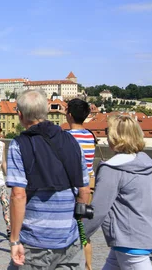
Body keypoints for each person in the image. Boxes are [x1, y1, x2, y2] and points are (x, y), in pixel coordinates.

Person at [6, 89, 90, 269]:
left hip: (35, 241)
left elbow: (18, 195)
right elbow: (84, 190)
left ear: (20, 115)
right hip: (69, 241)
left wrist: (14, 240)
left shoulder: (19, 144)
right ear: (46, 112)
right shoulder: (71, 141)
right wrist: (76, 225)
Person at [83, 115, 152, 270]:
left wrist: (79, 234)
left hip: (129, 239)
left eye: (108, 131)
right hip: (147, 232)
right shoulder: (148, 164)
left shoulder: (112, 168)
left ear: (115, 136)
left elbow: (98, 210)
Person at [66, 98, 96, 270]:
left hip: (72, 189)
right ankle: (88, 266)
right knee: (83, 230)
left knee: (71, 229)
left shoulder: (66, 137)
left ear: (69, 115)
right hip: (88, 187)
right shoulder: (90, 136)